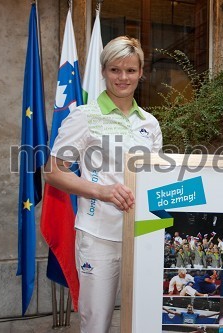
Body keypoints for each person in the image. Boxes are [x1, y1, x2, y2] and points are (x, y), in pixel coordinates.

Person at [44, 36, 162, 333]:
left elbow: (156, 179)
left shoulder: (149, 123)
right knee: (97, 323)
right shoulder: (84, 116)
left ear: (141, 73)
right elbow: (53, 172)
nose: (123, 77)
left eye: (131, 70)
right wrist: (102, 191)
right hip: (99, 235)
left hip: (143, 234)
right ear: (104, 71)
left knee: (145, 321)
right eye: (115, 69)